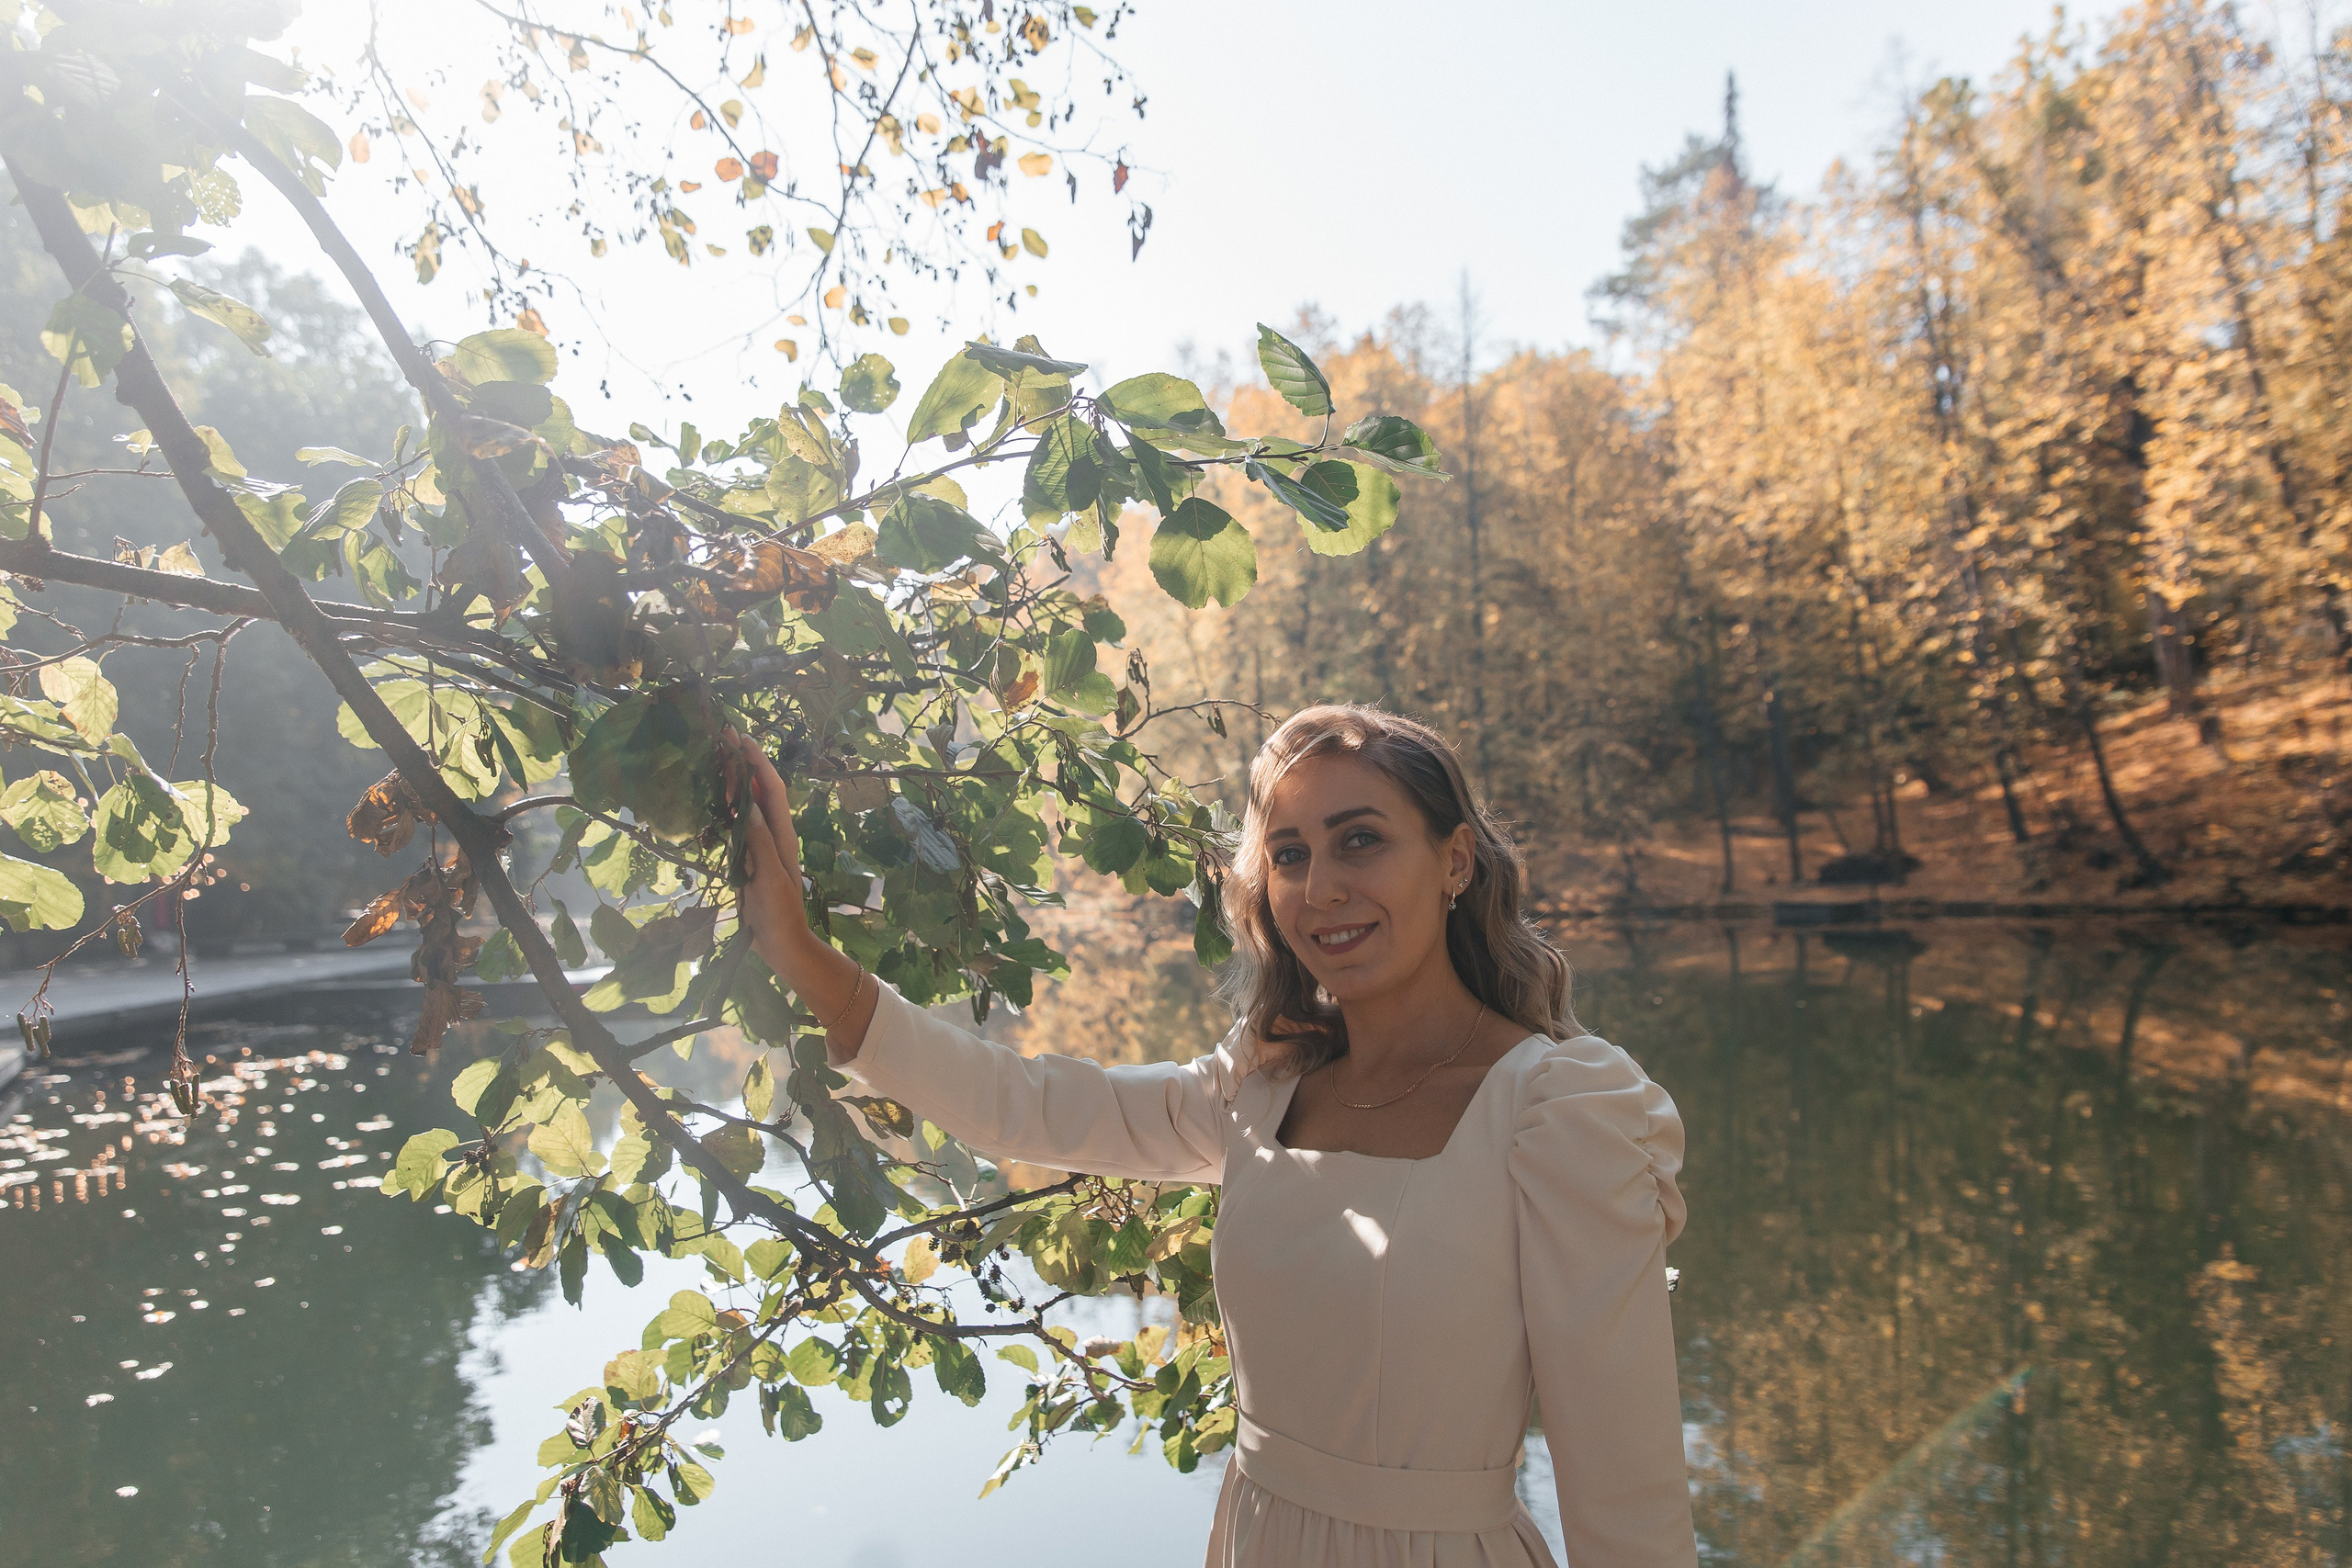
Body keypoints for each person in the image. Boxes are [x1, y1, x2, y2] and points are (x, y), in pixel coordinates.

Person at [730, 704, 1697, 1568]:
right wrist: (797, 950)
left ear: (1454, 860)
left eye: (1360, 841)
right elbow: (1020, 1104)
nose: (1321, 889)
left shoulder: (1559, 1110)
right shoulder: (1265, 1082)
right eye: (1290, 854)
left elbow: (1628, 1490)